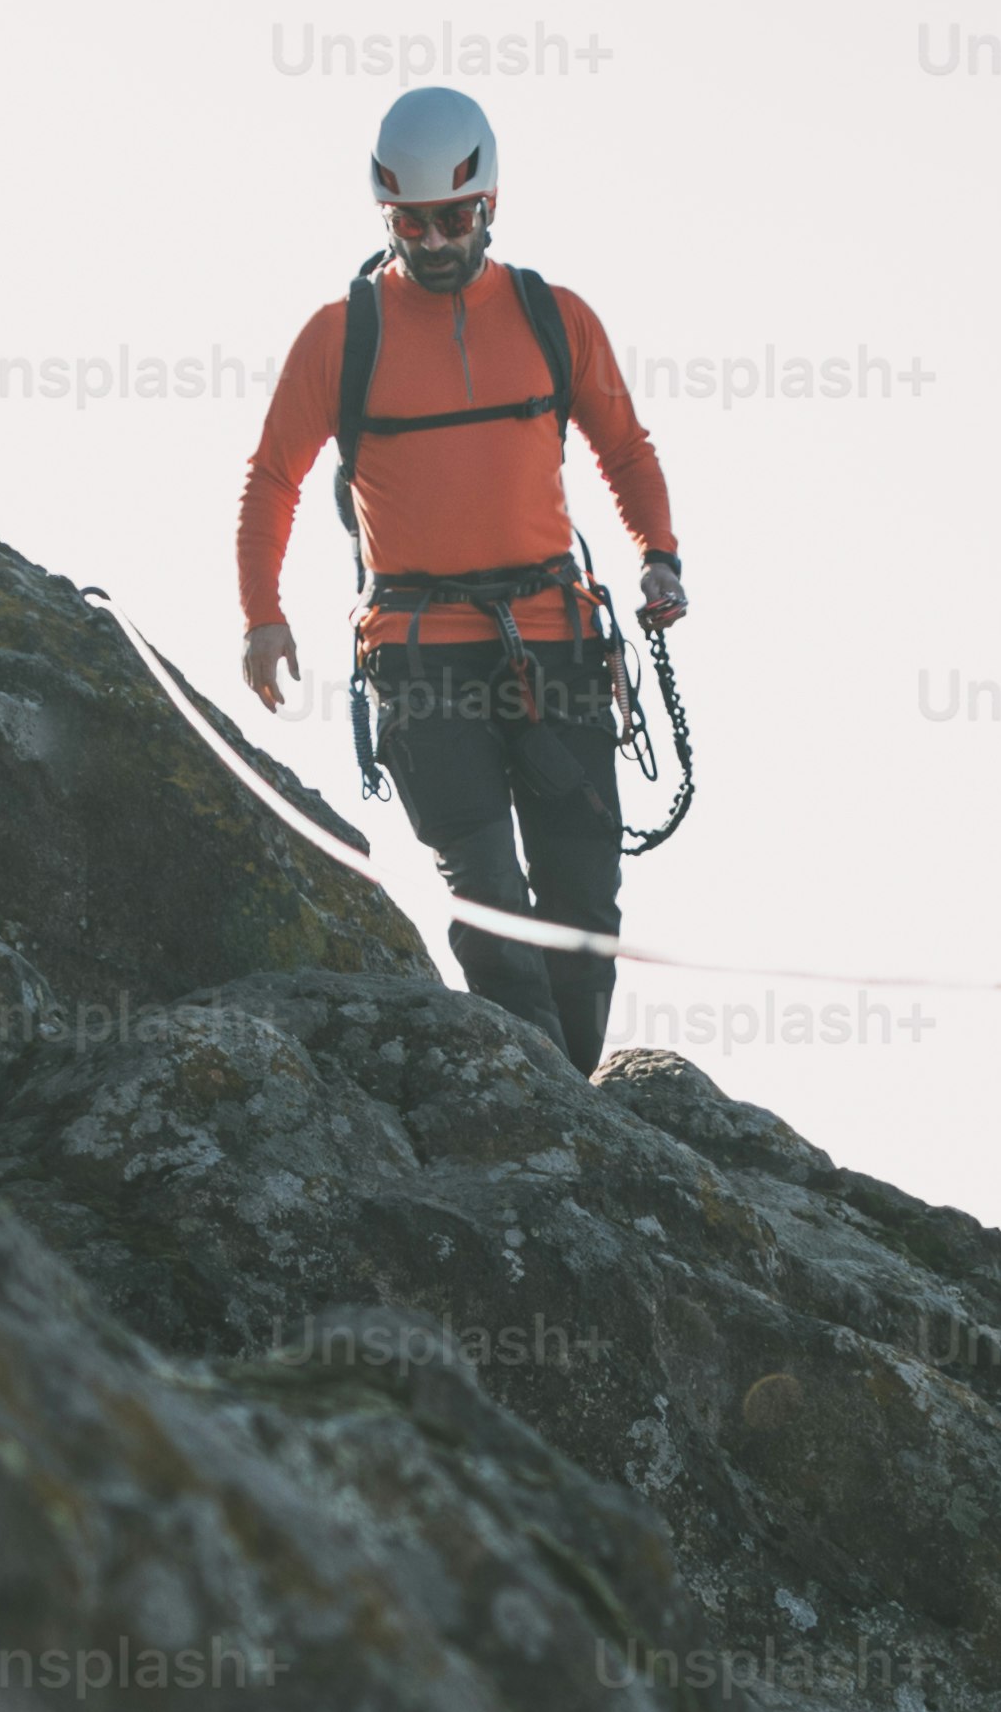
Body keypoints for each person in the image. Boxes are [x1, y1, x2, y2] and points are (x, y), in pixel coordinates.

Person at [235, 85, 686, 1070]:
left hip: (556, 640)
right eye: (412, 221)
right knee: (483, 890)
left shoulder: (551, 318)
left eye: (454, 217)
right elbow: (272, 475)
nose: (435, 239)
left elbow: (622, 445)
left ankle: (567, 1094)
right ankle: (547, 1098)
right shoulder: (340, 336)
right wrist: (262, 616)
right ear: (383, 212)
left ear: (489, 204)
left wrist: (658, 550)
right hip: (418, 655)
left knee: (582, 894)